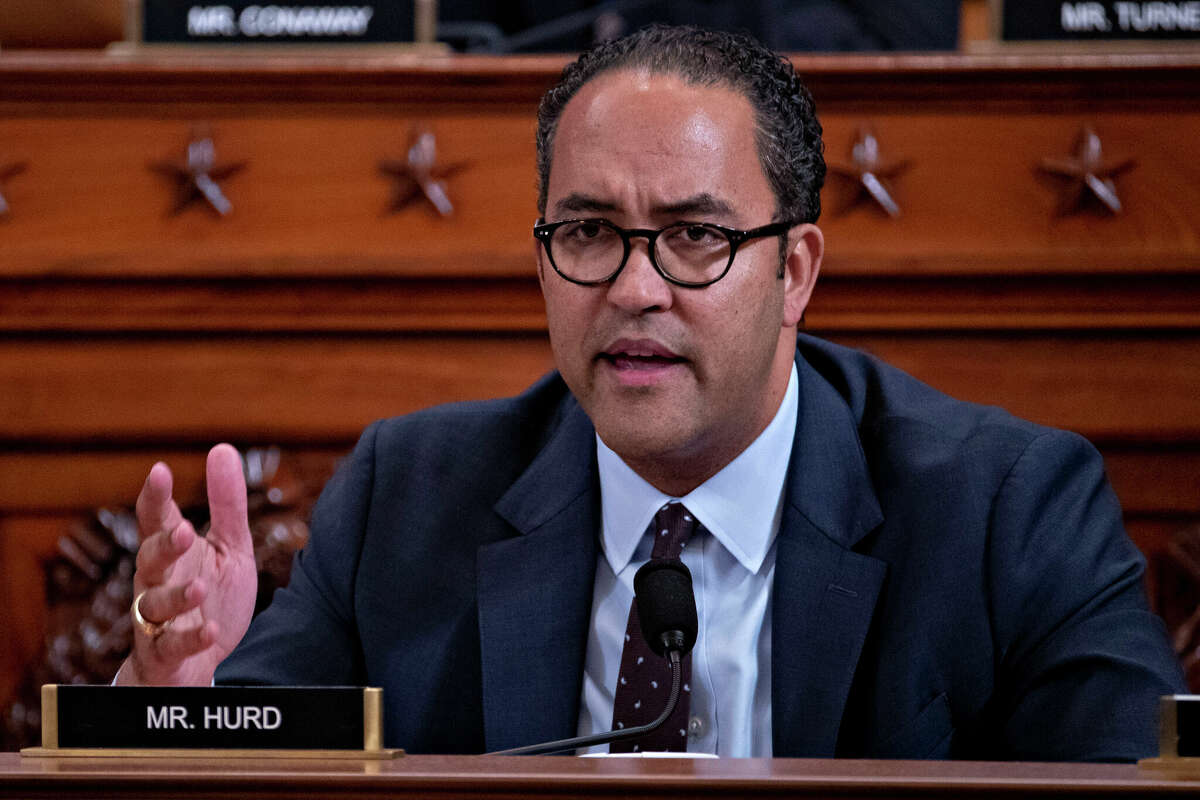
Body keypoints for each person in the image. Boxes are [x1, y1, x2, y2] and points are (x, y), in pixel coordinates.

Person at [114, 25, 1185, 759]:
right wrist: (179, 709)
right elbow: (232, 765)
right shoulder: (409, 496)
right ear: (542, 260)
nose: (634, 287)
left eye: (695, 236)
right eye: (587, 232)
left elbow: (1126, 781)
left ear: (796, 269)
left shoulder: (1006, 509)